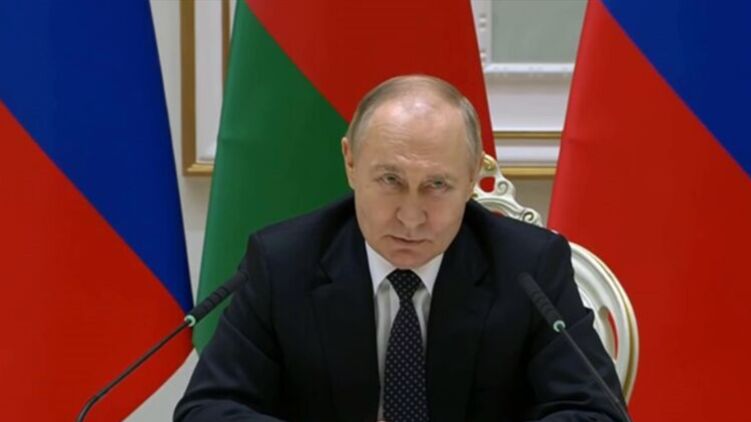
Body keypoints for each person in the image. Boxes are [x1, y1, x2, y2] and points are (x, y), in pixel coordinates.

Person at [175, 75, 627, 421]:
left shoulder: (529, 267)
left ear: (473, 176)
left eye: (437, 185)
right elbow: (207, 409)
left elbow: (595, 412)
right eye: (390, 180)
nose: (411, 217)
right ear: (351, 163)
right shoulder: (283, 263)